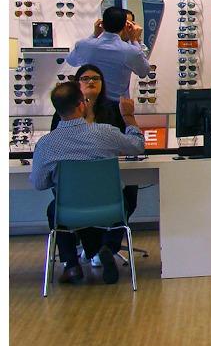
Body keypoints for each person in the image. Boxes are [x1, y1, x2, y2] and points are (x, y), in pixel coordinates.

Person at [30, 81, 145, 285]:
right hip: (110, 209)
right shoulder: (106, 132)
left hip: (68, 212)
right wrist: (128, 117)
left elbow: (39, 184)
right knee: (125, 201)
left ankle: (71, 265)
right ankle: (108, 248)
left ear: (57, 109)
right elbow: (137, 146)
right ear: (81, 104)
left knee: (53, 209)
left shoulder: (46, 144)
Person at [49, 64, 141, 265]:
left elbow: (41, 179)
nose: (91, 81)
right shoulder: (65, 114)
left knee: (128, 194)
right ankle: (103, 248)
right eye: (85, 78)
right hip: (96, 188)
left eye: (96, 78)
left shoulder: (113, 110)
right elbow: (134, 144)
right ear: (77, 84)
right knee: (118, 201)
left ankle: (76, 261)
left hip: (92, 186)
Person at [65, 7, 150, 101]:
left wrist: (94, 35)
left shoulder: (84, 45)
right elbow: (144, 71)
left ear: (102, 24)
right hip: (116, 105)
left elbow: (71, 61)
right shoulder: (130, 51)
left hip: (90, 103)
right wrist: (135, 40)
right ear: (124, 27)